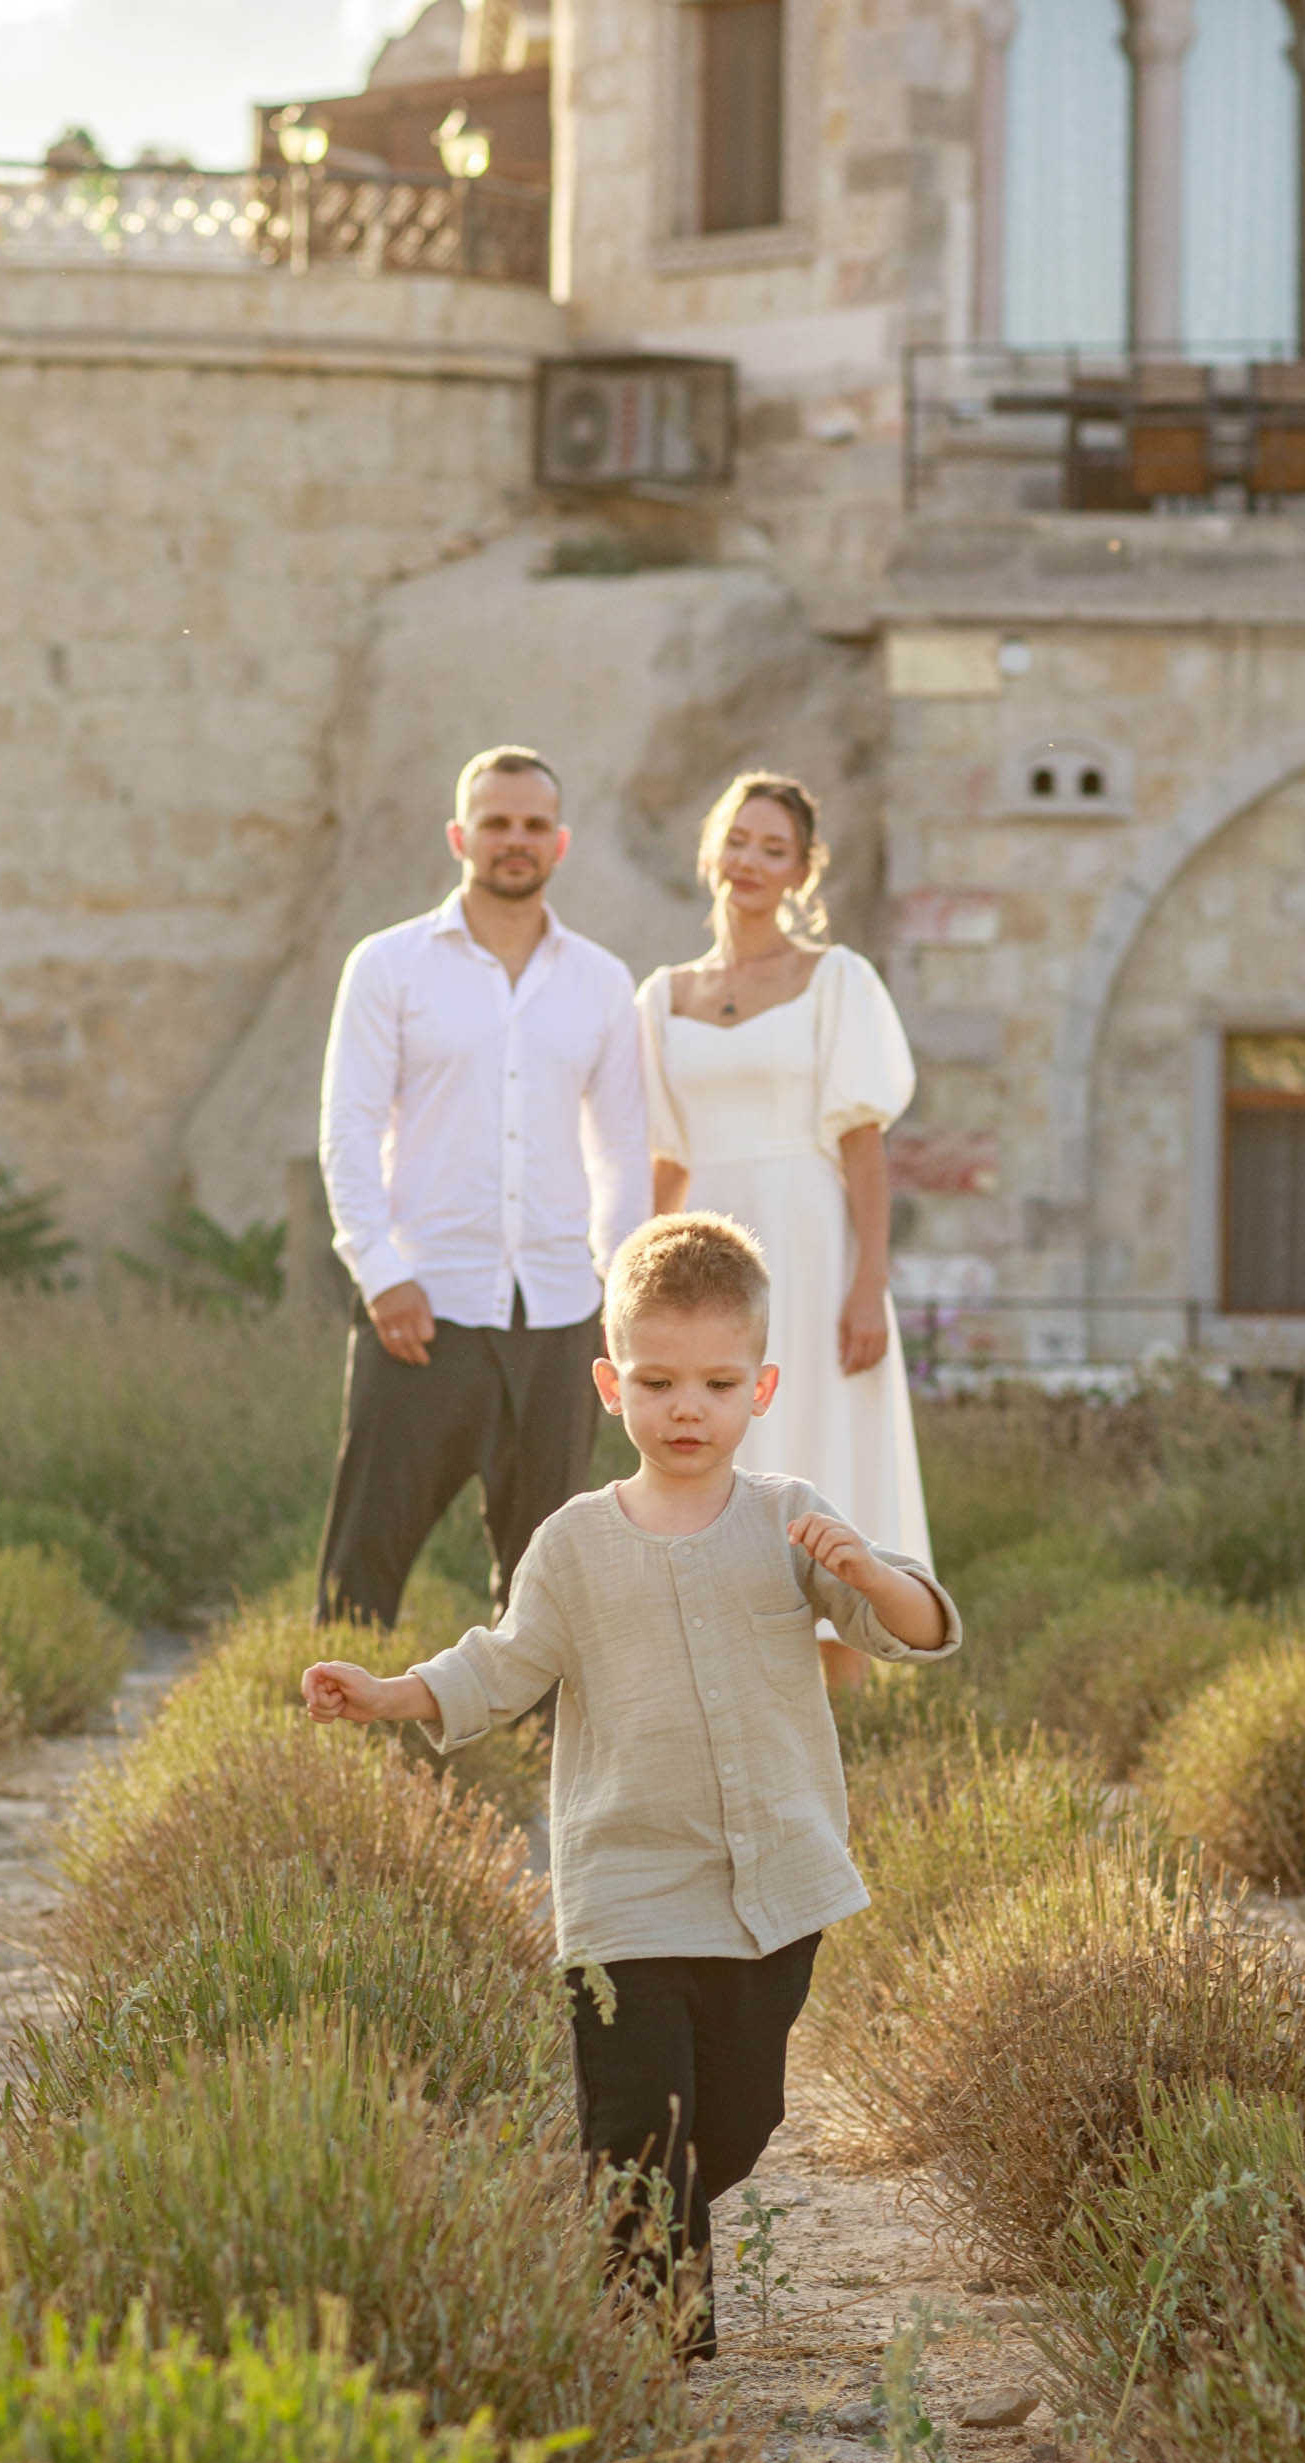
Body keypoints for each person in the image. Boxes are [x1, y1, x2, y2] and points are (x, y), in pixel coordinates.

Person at [302, 1210, 960, 2358]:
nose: (685, 1408)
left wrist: (868, 1573)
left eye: (715, 1384)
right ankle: (644, 2353)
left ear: (759, 1389)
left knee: (737, 2120)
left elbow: (909, 1629)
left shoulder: (788, 1519)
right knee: (635, 2132)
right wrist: (388, 1691)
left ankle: (625, 2262)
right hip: (626, 1894)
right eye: (656, 1383)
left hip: (772, 1891)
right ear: (610, 1387)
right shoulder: (571, 1543)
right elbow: (500, 1665)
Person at [313, 745, 649, 1627]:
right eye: (496, 822)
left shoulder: (602, 982)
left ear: (560, 843)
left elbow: (622, 1148)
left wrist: (617, 1295)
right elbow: (348, 1128)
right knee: (362, 1572)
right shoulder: (388, 966)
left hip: (560, 1316)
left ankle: (532, 1724)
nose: (515, 839)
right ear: (460, 836)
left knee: (545, 1586)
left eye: (535, 824)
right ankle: (337, 1713)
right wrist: (380, 1273)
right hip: (422, 1309)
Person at [635, 773, 933, 1692]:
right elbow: (664, 1164)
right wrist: (638, 1298)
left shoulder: (836, 980)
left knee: (820, 1457)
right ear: (710, 851)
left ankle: (837, 1716)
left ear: (803, 872)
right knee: (711, 1449)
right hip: (702, 1260)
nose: (752, 862)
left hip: (809, 1252)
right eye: (739, 840)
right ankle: (723, 1698)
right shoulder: (662, 998)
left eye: (775, 849)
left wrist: (868, 1283)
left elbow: (862, 1146)